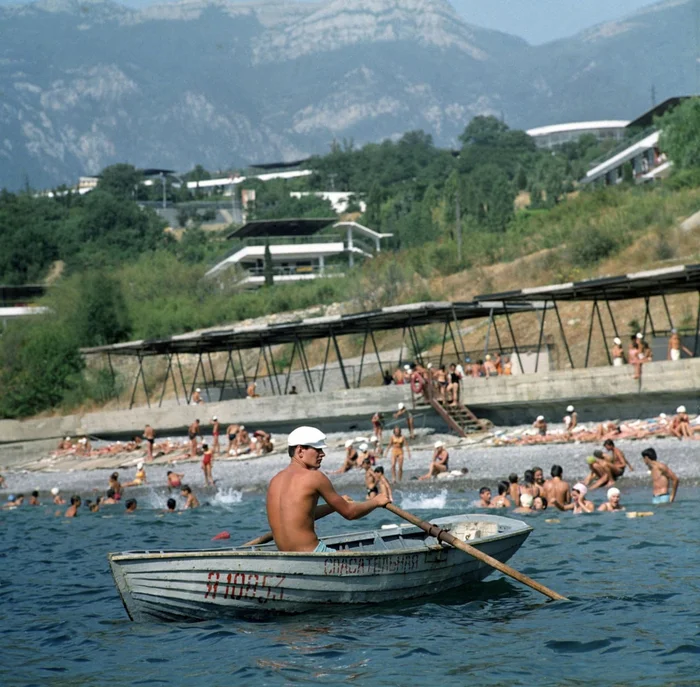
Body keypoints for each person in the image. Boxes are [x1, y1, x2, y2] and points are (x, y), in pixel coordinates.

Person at [266, 426, 391, 553]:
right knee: (350, 554)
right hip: (313, 554)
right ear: (300, 451)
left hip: (285, 555)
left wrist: (334, 506)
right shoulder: (315, 477)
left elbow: (301, 514)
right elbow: (350, 513)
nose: (323, 454)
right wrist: (376, 501)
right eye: (318, 449)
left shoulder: (275, 480)